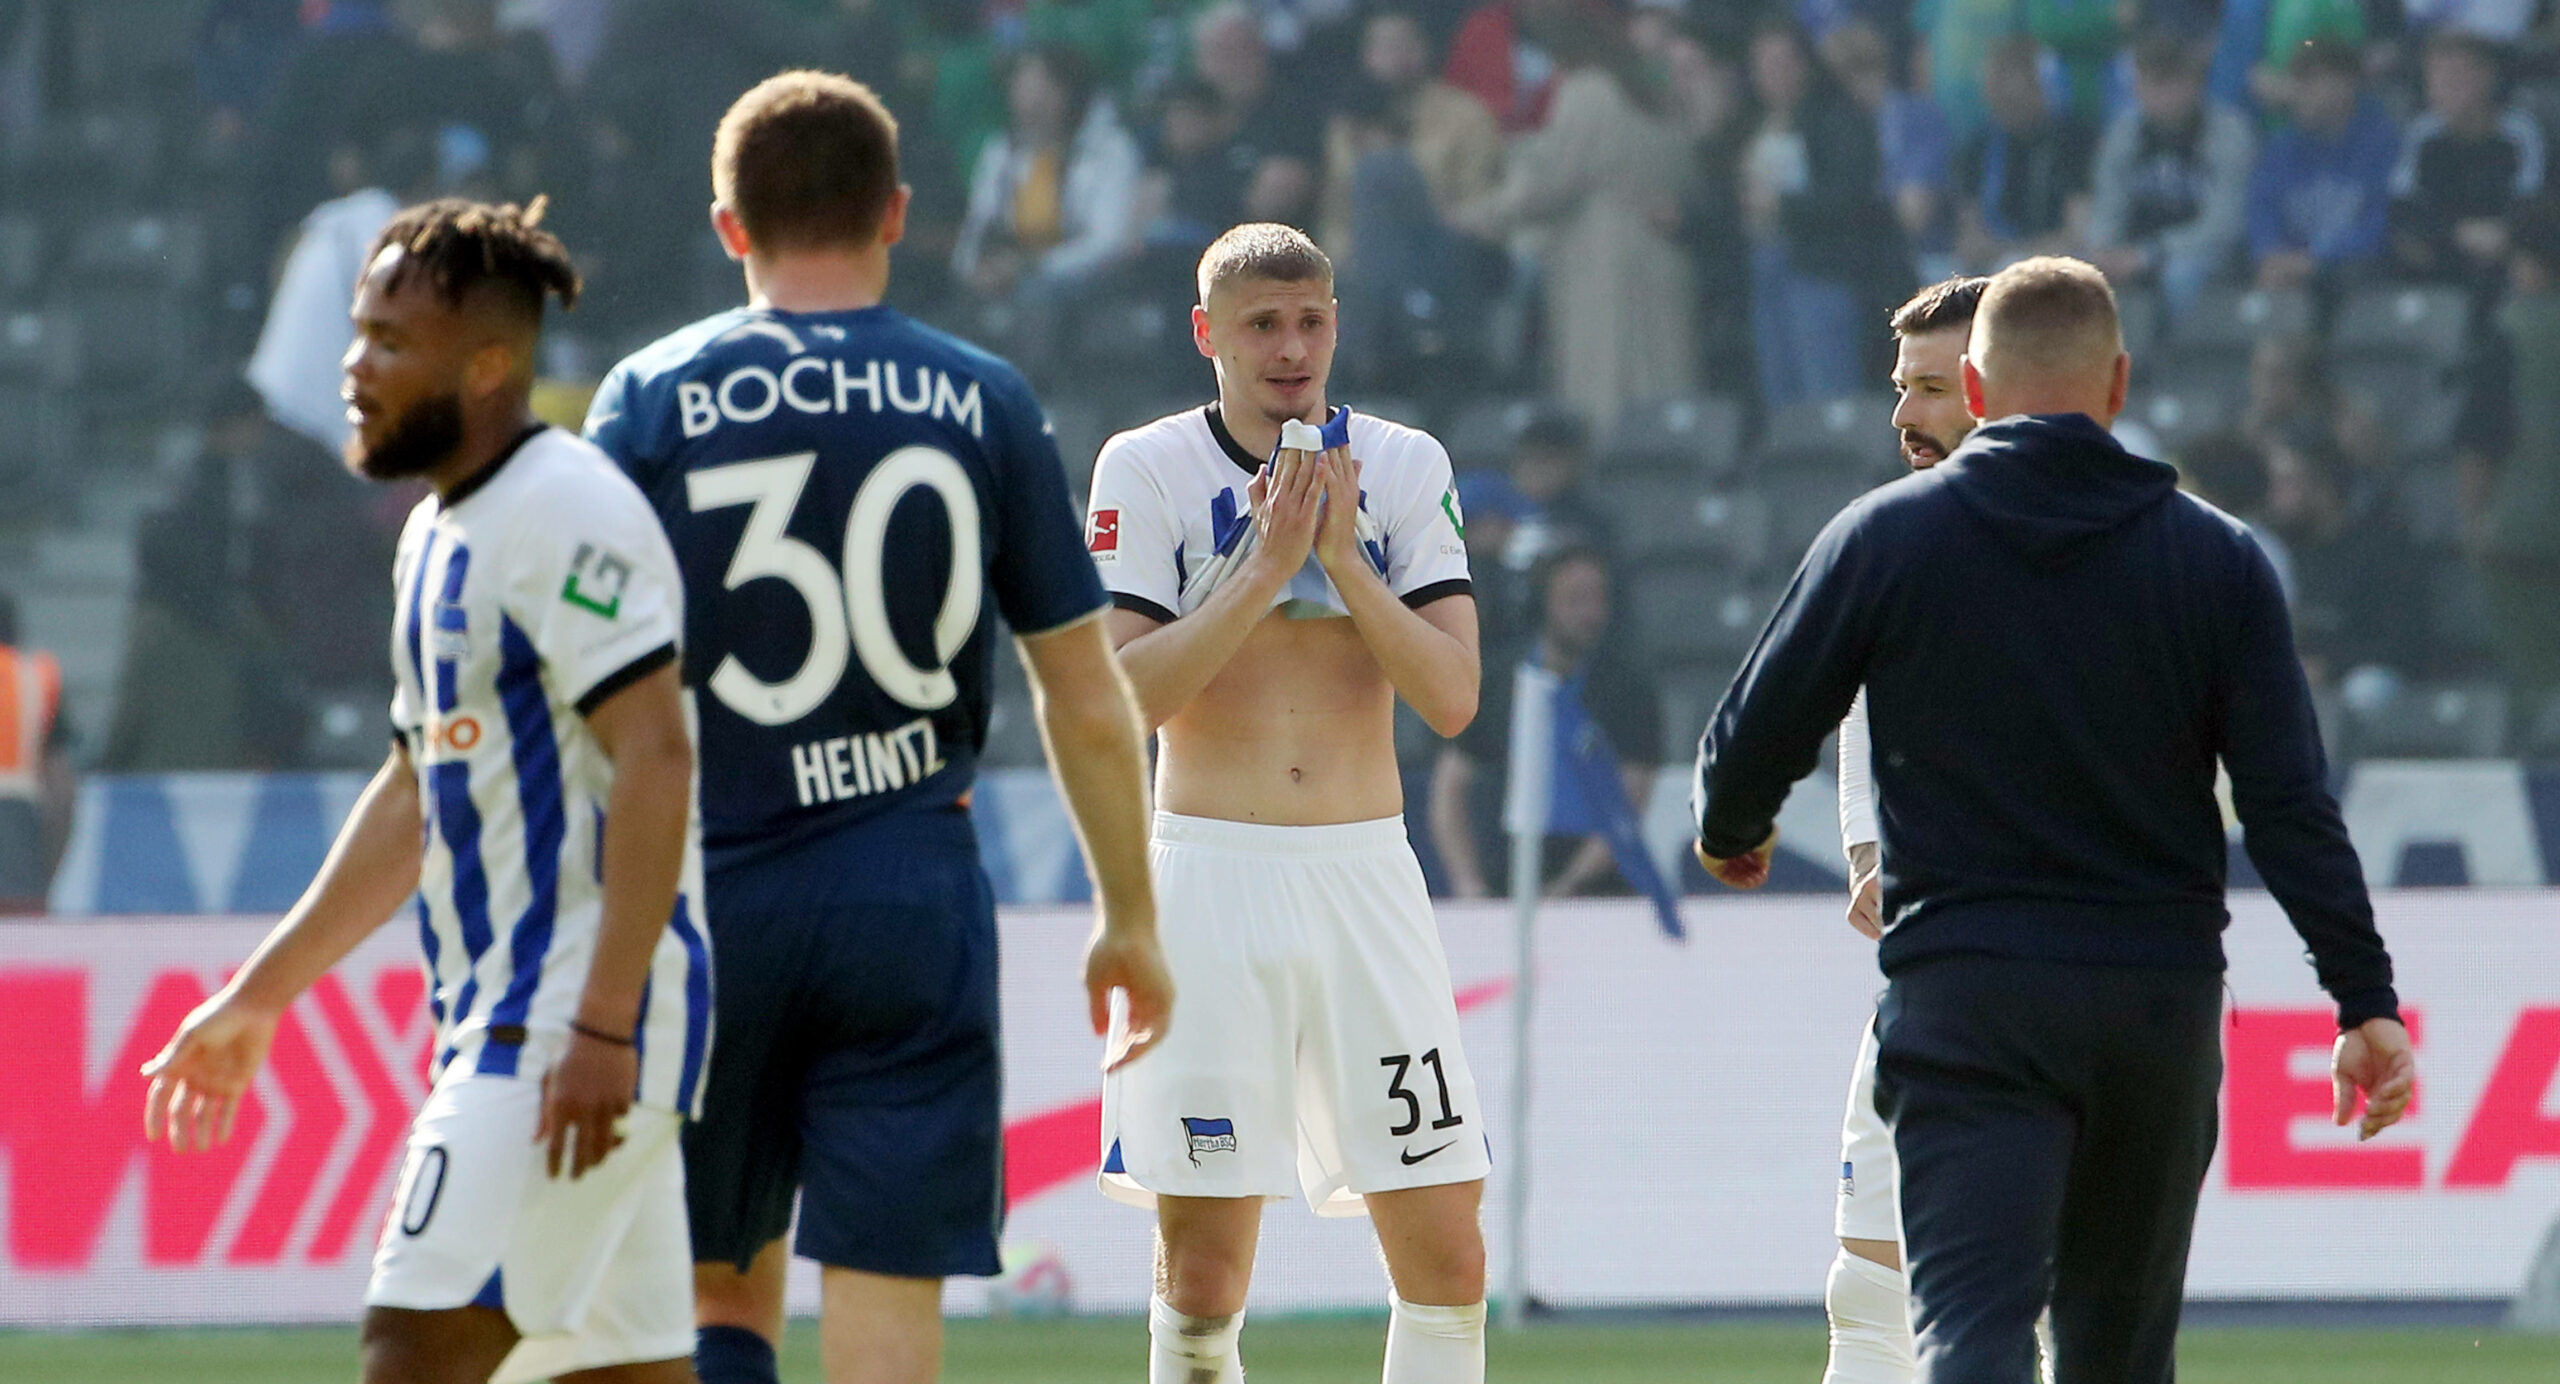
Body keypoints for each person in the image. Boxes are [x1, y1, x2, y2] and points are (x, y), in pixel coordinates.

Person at [1692, 257, 2416, 1381]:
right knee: (2115, 1357)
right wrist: (2361, 997)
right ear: (2118, 383)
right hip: (2155, 1004)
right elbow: (2287, 808)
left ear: (1974, 394)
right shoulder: (2219, 560)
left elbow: (1754, 733)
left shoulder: (1887, 539)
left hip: (1971, 996)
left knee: (1970, 1329)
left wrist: (1729, 828)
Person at [582, 73, 1172, 1384]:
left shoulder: (647, 399)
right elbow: (1081, 691)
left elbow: (578, 682)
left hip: (710, 896)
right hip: (910, 894)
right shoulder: (987, 399)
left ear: (730, 227)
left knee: (712, 1288)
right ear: (897, 214)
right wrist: (1127, 911)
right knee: (887, 1308)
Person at [141, 198, 710, 1384]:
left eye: (392, 341)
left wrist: (604, 1020)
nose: (355, 366)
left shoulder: (561, 505)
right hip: (537, 1022)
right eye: (359, 331)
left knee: (414, 1351)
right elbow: (416, 786)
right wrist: (259, 997)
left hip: (564, 1030)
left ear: (490, 365)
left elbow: (657, 753)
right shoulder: (438, 530)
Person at [1084, 222, 1488, 1384]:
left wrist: (1346, 558)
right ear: (1208, 333)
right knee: (1203, 1273)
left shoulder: (1403, 464)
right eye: (1262, 323)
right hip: (1210, 875)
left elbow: (1453, 696)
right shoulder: (1148, 466)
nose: (1291, 346)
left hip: (1365, 874)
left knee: (1448, 1252)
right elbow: (1121, 703)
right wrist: (1263, 566)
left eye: (1310, 319)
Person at [1450, 10, 1697, 428]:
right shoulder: (1660, 95)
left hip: (1603, 268)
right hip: (1662, 262)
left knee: (1609, 391)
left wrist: (1468, 219)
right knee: (1660, 389)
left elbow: (1545, 186)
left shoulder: (1589, 92)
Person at [1430, 546, 1660, 901]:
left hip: (1599, 892)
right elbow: (1450, 788)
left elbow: (1628, 803)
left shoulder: (1629, 689)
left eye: (1598, 599)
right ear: (1543, 603)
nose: (1590, 614)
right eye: (1575, 599)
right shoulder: (1500, 682)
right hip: (1505, 874)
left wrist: (1568, 885)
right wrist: (1466, 879)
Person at [1740, 19, 1909, 408]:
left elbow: (1853, 197)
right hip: (1767, 265)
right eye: (1763, 64)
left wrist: (1782, 205)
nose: (1773, 74)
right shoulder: (1752, 123)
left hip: (1820, 269)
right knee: (1780, 388)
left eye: (1783, 62)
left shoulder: (1836, 118)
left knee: (1823, 386)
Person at [2086, 34, 2255, 317]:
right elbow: (2107, 206)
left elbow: (2225, 224)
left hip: (2202, 253)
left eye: (2172, 81)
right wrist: (2103, 250)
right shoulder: (2124, 134)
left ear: (2195, 83)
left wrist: (2150, 254)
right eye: (2152, 82)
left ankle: (2170, 359)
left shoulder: (2229, 133)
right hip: (2132, 250)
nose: (2163, 94)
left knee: (2179, 275)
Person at [2389, 30, 2545, 293]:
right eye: (2436, 76)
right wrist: (2457, 232)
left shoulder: (2520, 132)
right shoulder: (2421, 133)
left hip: (2505, 246)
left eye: (2457, 76)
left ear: (2488, 78)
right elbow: (2402, 203)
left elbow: (2534, 201)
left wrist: (2505, 234)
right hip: (2444, 246)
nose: (2445, 86)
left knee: (2530, 266)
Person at [2247, 38, 2398, 292]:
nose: (2297, 92)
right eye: (2297, 80)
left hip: (2353, 275)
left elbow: (2383, 225)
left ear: (2346, 83)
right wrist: (2272, 255)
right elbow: (2261, 212)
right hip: (2288, 275)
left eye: (2309, 81)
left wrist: (2317, 258)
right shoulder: (2281, 148)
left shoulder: (2383, 143)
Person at [1953, 36, 2099, 273]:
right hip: (1994, 263)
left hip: (2057, 266)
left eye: (2014, 96)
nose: (2004, 102)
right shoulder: (1978, 146)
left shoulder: (2075, 141)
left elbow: (2078, 234)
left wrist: (2012, 253)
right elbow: (1969, 237)